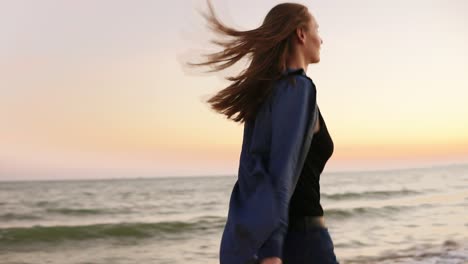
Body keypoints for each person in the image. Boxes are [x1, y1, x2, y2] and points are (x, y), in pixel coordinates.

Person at [189, 1, 340, 263]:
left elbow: (253, 170)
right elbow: (281, 169)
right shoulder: (298, 88)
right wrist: (271, 249)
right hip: (303, 241)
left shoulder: (266, 95)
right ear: (301, 34)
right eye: (317, 28)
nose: (321, 38)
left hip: (272, 239)